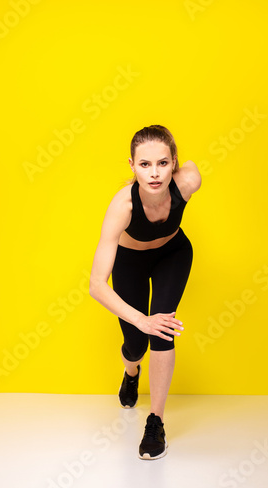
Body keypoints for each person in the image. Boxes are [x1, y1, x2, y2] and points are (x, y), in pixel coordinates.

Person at [89, 125, 202, 460]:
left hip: (173, 254)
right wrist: (141, 320)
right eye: (144, 165)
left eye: (163, 164)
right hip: (131, 262)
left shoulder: (188, 182)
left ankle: (155, 421)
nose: (154, 174)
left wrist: (155, 321)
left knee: (163, 331)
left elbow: (193, 167)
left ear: (173, 163)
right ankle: (131, 371)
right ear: (132, 165)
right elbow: (96, 284)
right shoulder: (122, 206)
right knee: (137, 343)